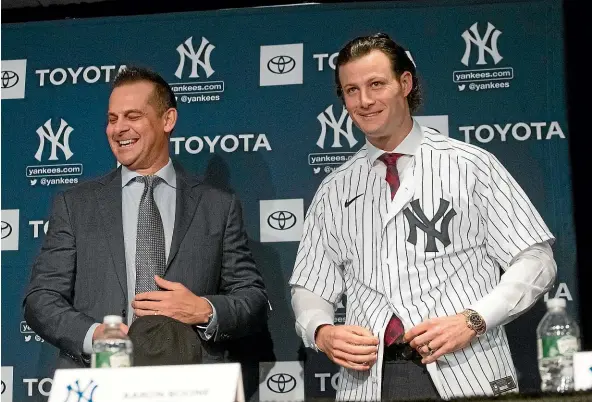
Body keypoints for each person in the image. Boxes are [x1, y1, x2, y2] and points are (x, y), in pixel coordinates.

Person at [289, 33, 557, 401]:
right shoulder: (334, 188)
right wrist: (320, 330)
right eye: (351, 90)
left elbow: (535, 260)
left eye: (376, 84)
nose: (364, 101)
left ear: (405, 83)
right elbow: (311, 286)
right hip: (370, 379)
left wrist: (474, 319)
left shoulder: (470, 165)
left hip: (468, 365)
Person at [23, 66, 269, 374]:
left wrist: (204, 310)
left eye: (132, 116)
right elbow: (41, 298)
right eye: (113, 119)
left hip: (191, 380)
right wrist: (95, 336)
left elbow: (253, 299)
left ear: (167, 120)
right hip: (102, 378)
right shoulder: (75, 205)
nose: (119, 128)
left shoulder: (217, 206)